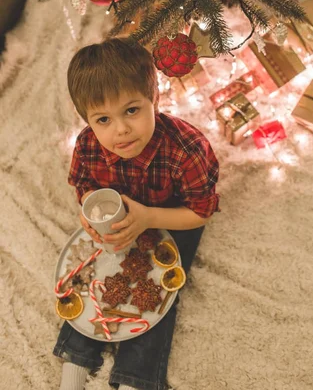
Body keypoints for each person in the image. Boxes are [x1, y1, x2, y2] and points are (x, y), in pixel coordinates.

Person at [54, 37, 220, 390]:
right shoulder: (87, 145)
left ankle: (135, 378)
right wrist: (87, 214)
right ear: (88, 120)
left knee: (157, 298)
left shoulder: (187, 150)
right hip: (120, 215)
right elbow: (82, 185)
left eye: (132, 110)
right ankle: (75, 368)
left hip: (174, 218)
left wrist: (149, 218)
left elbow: (201, 212)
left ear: (155, 98)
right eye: (103, 119)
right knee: (93, 281)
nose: (121, 130)